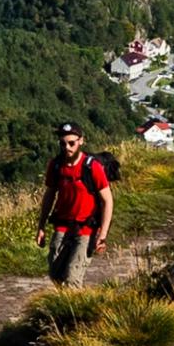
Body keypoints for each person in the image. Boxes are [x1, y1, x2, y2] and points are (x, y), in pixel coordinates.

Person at [40, 120, 116, 285]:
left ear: (81, 141)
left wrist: (102, 235)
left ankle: (73, 309)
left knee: (72, 280)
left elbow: (107, 201)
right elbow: (49, 196)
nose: (67, 147)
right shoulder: (56, 166)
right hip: (61, 227)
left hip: (86, 230)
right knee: (56, 275)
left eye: (71, 143)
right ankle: (64, 307)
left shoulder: (92, 167)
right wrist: (41, 227)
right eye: (63, 143)